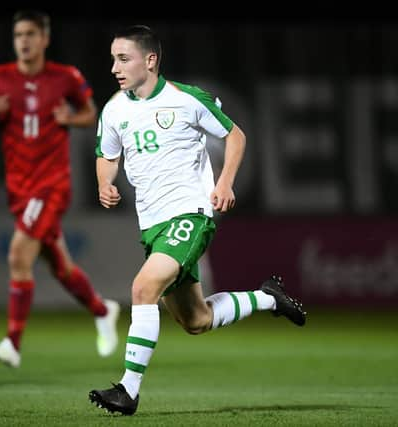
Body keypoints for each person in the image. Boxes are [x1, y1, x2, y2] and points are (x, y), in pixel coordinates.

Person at [88, 25, 306, 415]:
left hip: (189, 213)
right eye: (113, 59)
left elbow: (235, 135)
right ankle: (266, 297)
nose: (114, 68)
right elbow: (107, 154)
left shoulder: (186, 99)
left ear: (150, 60)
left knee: (143, 288)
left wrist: (224, 182)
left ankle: (128, 390)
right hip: (152, 225)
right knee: (196, 319)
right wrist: (105, 182)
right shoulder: (115, 108)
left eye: (123, 59)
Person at [0, 10, 120, 368]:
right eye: (19, 34)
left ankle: (12, 344)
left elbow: (91, 113)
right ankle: (102, 309)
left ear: (44, 39)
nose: (23, 40)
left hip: (52, 184)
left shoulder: (65, 77)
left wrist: (71, 118)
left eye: (31, 34)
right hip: (18, 188)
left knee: (19, 255)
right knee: (59, 266)